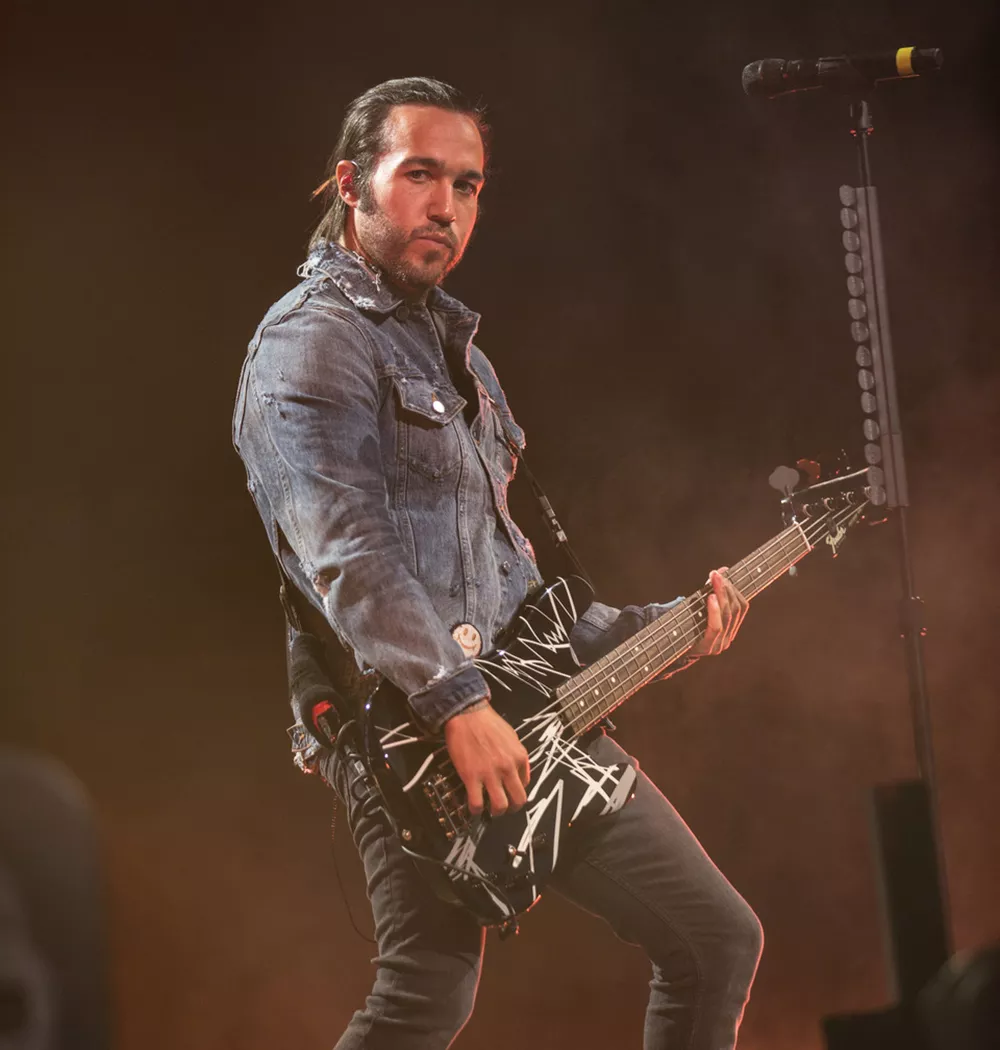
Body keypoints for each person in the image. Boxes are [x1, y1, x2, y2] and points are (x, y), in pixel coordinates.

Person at [233, 76, 762, 1050]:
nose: (446, 206)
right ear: (350, 184)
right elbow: (343, 551)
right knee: (425, 998)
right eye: (420, 175)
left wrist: (668, 629)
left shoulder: (459, 357)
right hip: (404, 726)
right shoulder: (309, 345)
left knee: (714, 939)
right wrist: (455, 703)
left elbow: (511, 586)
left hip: (515, 710)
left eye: (467, 185)